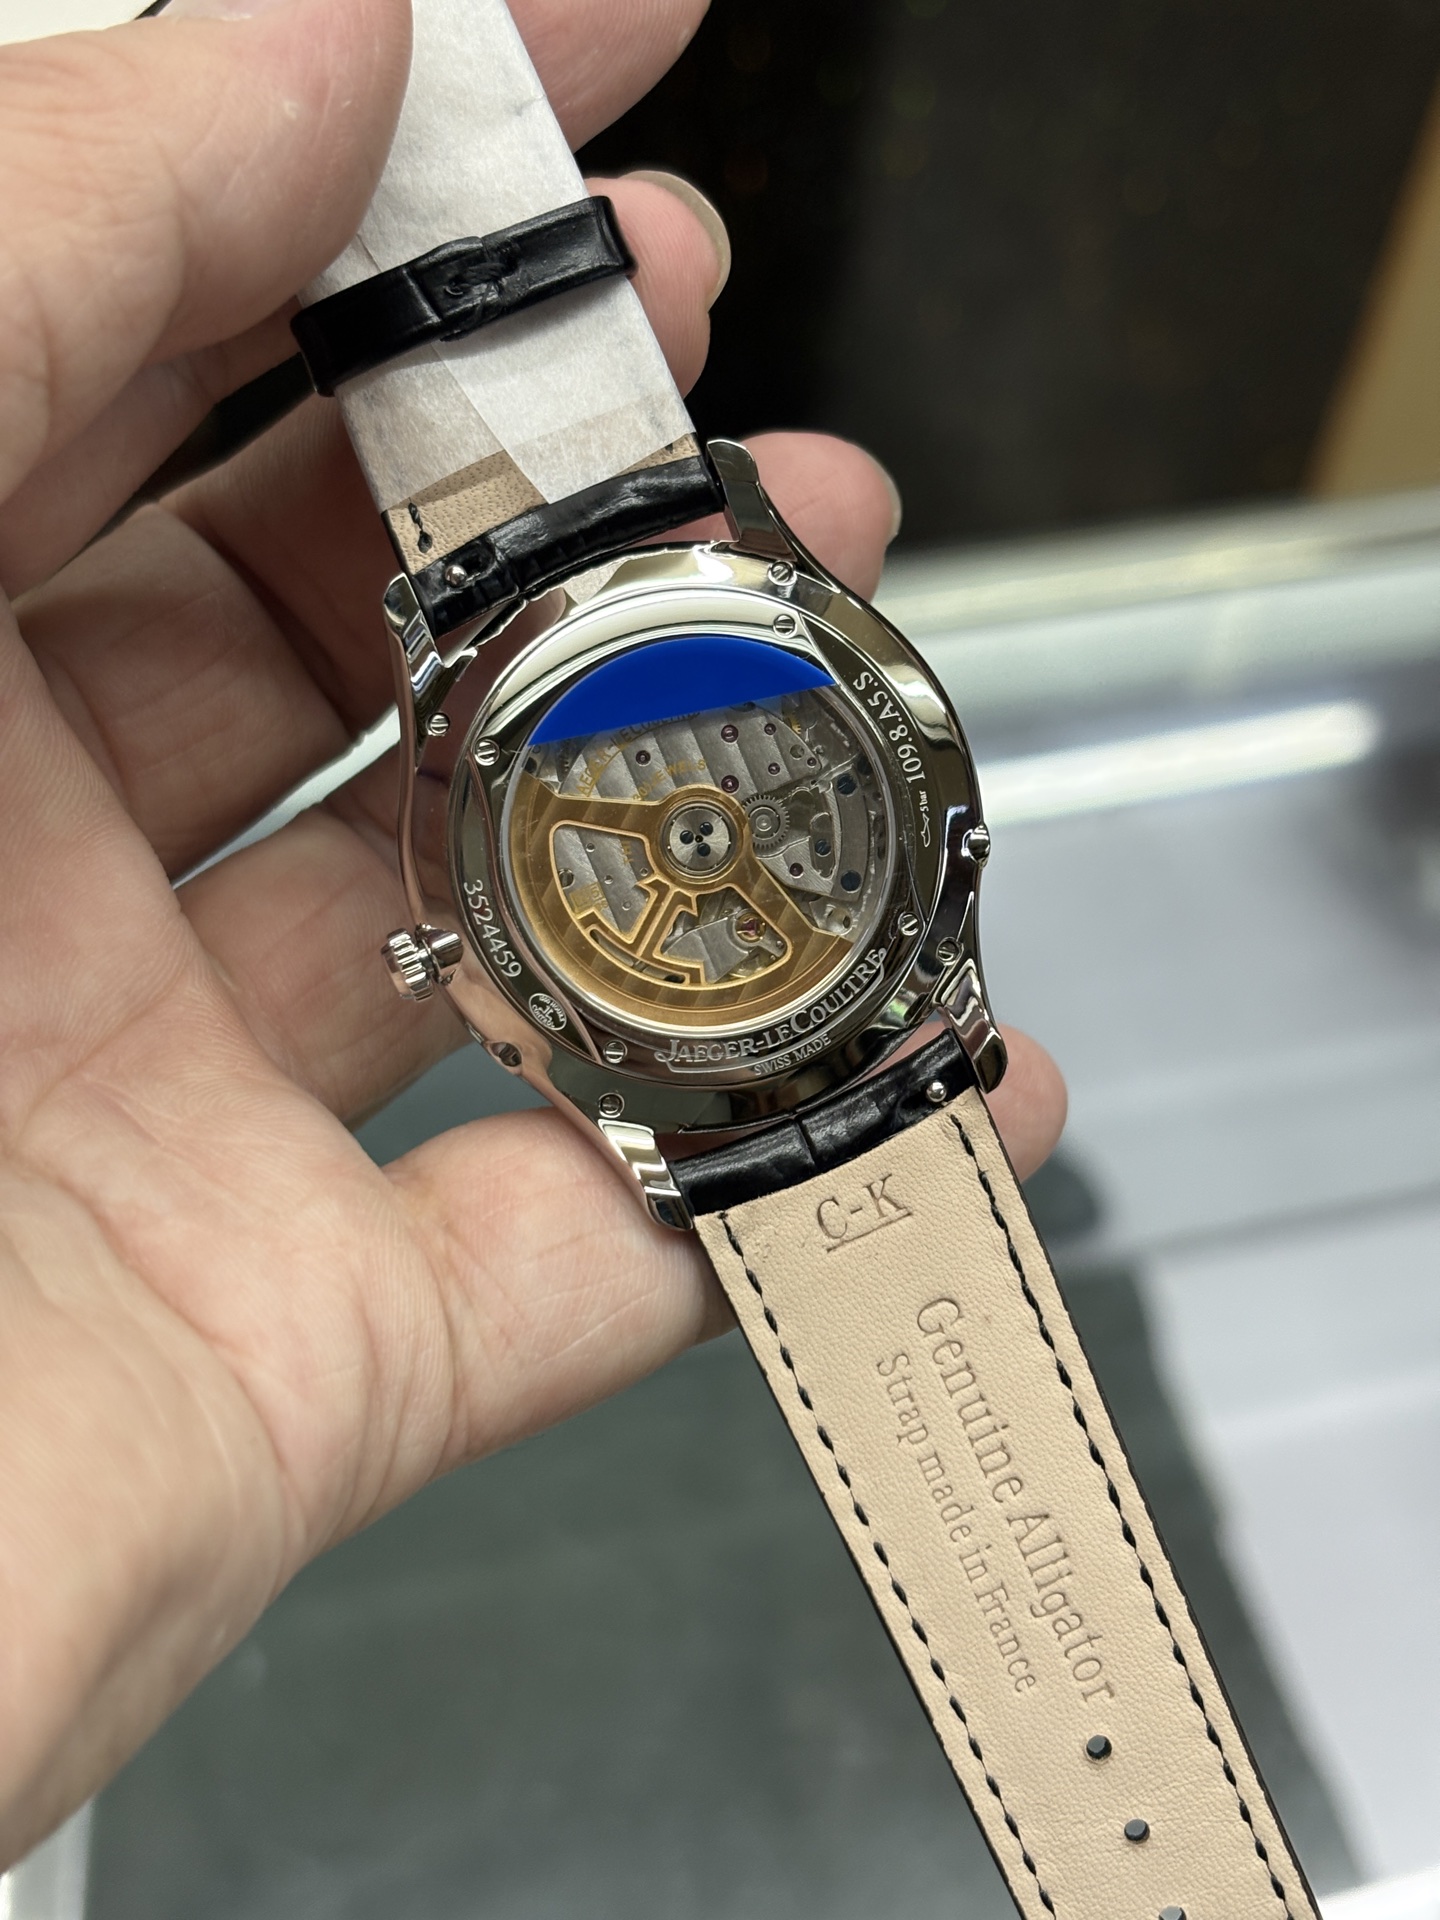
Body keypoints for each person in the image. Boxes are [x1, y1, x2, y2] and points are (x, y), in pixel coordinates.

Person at [0, 0, 1065, 1867]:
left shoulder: (601, 780)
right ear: (468, 954)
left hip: (787, 955)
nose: (703, 837)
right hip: (727, 976)